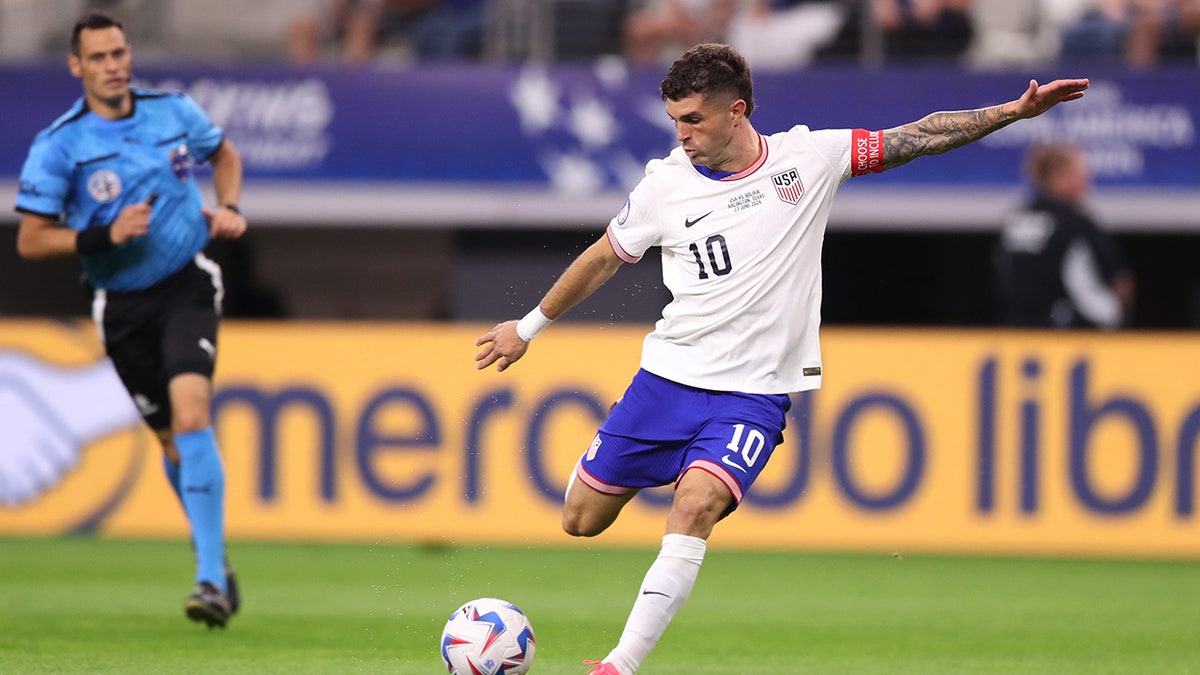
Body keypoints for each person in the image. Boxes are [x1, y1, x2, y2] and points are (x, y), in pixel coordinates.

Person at [474, 43, 1089, 675]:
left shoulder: (809, 158)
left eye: (693, 120)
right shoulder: (664, 185)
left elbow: (920, 136)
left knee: (696, 506)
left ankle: (619, 665)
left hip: (752, 395)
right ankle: (648, 455)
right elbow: (604, 256)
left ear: (736, 112)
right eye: (675, 121)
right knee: (581, 519)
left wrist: (1012, 113)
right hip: (667, 381)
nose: (681, 135)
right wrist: (528, 327)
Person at [14, 10, 246, 628]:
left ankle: (207, 581)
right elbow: (32, 241)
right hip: (121, 307)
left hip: (186, 283)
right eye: (99, 58)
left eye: (119, 53)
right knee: (171, 440)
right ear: (77, 67)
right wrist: (103, 235)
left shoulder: (171, 111)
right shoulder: (61, 145)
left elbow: (225, 155)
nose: (113, 66)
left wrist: (227, 206)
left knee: (193, 413)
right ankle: (214, 554)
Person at [993, 143, 1134, 329]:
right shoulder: (1076, 225)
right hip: (1066, 335)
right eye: (1080, 172)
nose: (1087, 180)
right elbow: (1104, 287)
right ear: (1061, 175)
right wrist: (1117, 320)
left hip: (1016, 330)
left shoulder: (1015, 219)